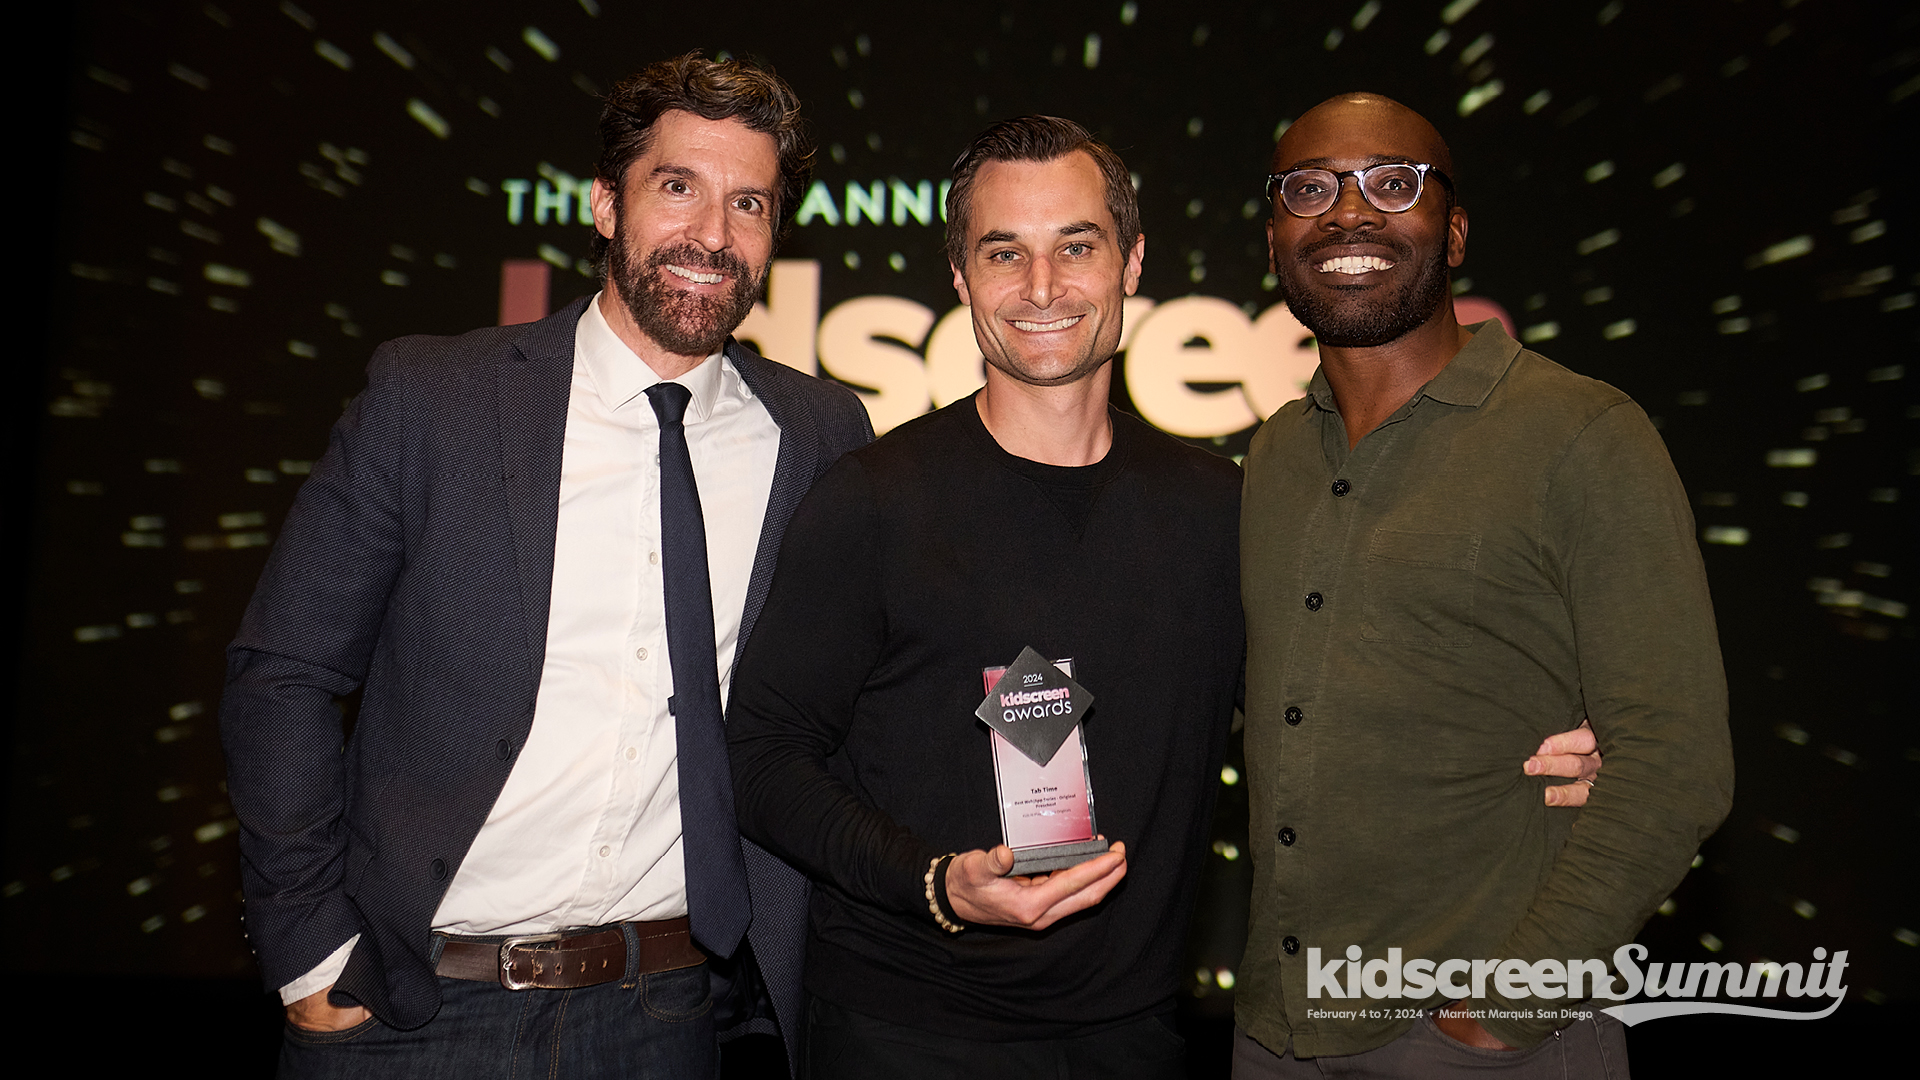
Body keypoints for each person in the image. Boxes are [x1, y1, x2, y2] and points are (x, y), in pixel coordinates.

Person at [724, 115, 1602, 1079]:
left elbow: (1320, 716)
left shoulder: (1220, 508)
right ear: (961, 278)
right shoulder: (873, 500)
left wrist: (1527, 744)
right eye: (1004, 252)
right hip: (903, 1032)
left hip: (1138, 1034)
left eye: (1077, 246)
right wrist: (935, 882)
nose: (1043, 287)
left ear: (1133, 262)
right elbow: (761, 756)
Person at [218, 53, 871, 1078]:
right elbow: (284, 672)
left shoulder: (818, 433)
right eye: (677, 187)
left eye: (749, 203)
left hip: (665, 1013)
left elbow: (840, 708)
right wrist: (310, 951)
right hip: (409, 1009)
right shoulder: (435, 400)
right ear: (606, 204)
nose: (713, 234)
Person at [1234, 92, 1734, 1077]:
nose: (1349, 212)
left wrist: (1502, 1011)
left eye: (1394, 184)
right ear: (1274, 238)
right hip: (1279, 1033)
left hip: (1479, 1039)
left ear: (1455, 232)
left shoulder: (1581, 434)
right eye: (1311, 189)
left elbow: (1676, 766)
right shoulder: (1275, 454)